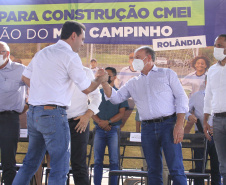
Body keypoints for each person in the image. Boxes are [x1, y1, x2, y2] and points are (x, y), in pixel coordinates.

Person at [12, 20, 108, 185]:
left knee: (30, 163)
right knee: (60, 166)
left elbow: (25, 77)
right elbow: (86, 88)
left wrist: (43, 89)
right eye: (82, 39)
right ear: (73, 36)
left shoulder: (43, 52)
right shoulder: (70, 56)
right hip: (53, 114)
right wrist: (101, 80)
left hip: (34, 113)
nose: (83, 43)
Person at [101, 46, 188, 185]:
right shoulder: (133, 82)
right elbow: (116, 98)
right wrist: (104, 82)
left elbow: (181, 98)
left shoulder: (167, 74)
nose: (134, 61)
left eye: (137, 57)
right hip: (147, 128)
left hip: (169, 125)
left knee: (176, 168)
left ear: (148, 58)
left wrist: (179, 124)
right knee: (153, 170)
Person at [92, 67, 129, 185]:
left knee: (114, 161)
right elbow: (91, 110)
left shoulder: (119, 93)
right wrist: (100, 123)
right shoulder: (96, 93)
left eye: (108, 75)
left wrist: (108, 122)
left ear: (114, 77)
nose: (105, 77)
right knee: (97, 161)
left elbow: (122, 113)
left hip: (113, 130)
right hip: (99, 130)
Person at [67, 66, 102, 185]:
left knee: (79, 163)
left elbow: (96, 96)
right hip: (57, 120)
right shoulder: (55, 69)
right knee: (59, 163)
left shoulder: (85, 72)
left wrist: (87, 115)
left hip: (79, 122)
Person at [185, 76, 221, 185]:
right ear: (206, 82)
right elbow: (186, 110)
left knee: (218, 167)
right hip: (200, 136)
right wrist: (189, 116)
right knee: (199, 168)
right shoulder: (196, 96)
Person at [0, 41, 27, 185]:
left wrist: (27, 104)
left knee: (8, 161)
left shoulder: (20, 69)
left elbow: (36, 86)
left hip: (9, 119)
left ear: (7, 54)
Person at [204, 34, 226, 185]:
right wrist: (205, 120)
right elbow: (208, 96)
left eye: (220, 45)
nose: (216, 48)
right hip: (217, 120)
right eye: (215, 45)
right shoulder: (212, 70)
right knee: (223, 165)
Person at [117, 52, 140, 128]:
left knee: (123, 120)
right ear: (129, 61)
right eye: (131, 58)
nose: (133, 60)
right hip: (122, 98)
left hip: (131, 99)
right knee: (116, 117)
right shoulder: (124, 70)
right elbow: (117, 80)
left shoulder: (140, 71)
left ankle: (118, 135)